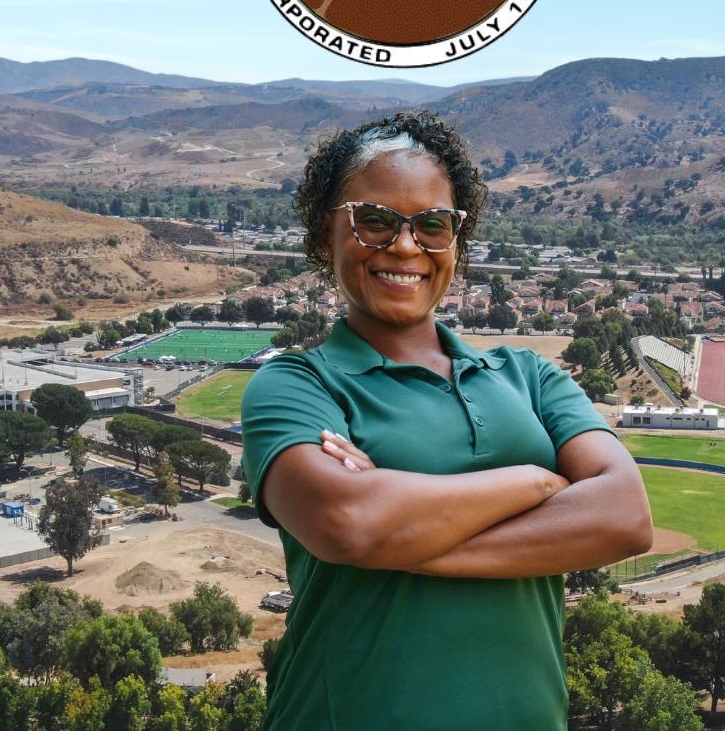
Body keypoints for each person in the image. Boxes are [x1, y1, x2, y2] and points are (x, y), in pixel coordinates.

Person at [242, 111, 652, 730]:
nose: (406, 246)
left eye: (432, 224)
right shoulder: (297, 384)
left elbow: (625, 517)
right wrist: (536, 482)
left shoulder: (528, 375)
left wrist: (400, 537)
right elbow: (348, 522)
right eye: (374, 220)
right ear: (326, 233)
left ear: (456, 240)